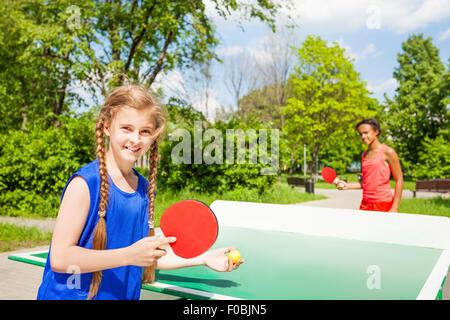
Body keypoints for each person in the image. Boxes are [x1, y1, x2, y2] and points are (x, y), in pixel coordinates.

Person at [37, 84, 243, 300]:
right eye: (126, 128)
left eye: (144, 131)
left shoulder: (144, 190)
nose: (135, 139)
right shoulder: (85, 184)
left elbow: (145, 258)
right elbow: (60, 258)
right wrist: (128, 255)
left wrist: (203, 258)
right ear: (107, 126)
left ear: (153, 136)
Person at [337, 118, 403, 213]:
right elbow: (367, 183)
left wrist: (395, 207)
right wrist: (347, 186)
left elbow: (399, 180)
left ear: (376, 131)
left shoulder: (388, 152)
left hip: (383, 203)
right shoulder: (364, 155)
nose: (363, 136)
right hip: (365, 203)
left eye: (366, 133)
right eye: (360, 134)